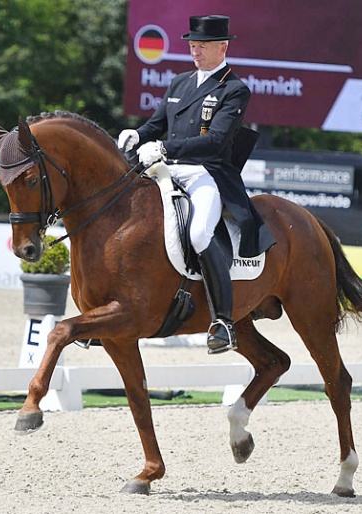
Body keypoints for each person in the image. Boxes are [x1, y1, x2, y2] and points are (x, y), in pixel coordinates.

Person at [118, 14, 275, 354]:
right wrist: (137, 134)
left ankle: (223, 322)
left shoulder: (234, 89)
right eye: (192, 45)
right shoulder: (179, 83)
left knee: (199, 233)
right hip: (168, 169)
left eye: (202, 46)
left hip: (208, 173)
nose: (196, 52)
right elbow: (156, 124)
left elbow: (217, 141)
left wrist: (164, 147)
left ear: (223, 46)